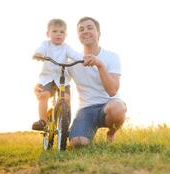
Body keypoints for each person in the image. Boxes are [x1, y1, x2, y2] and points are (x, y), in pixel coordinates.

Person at [35, 17, 127, 146]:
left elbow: (112, 91)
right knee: (78, 143)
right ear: (78, 36)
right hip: (86, 109)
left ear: (98, 33)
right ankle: (83, 132)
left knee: (118, 109)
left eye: (90, 28)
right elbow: (56, 78)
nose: (85, 31)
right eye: (81, 29)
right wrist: (40, 87)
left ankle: (111, 133)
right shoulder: (72, 61)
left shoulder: (111, 57)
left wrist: (100, 65)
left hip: (108, 105)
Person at [32, 18, 81, 130]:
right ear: (48, 33)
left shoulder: (66, 47)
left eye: (62, 32)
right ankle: (43, 121)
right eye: (54, 31)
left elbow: (75, 55)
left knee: (66, 98)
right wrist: (38, 54)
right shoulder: (46, 44)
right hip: (47, 78)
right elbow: (41, 50)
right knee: (43, 95)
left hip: (62, 78)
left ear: (66, 35)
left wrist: (84, 59)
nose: (58, 34)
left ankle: (63, 119)